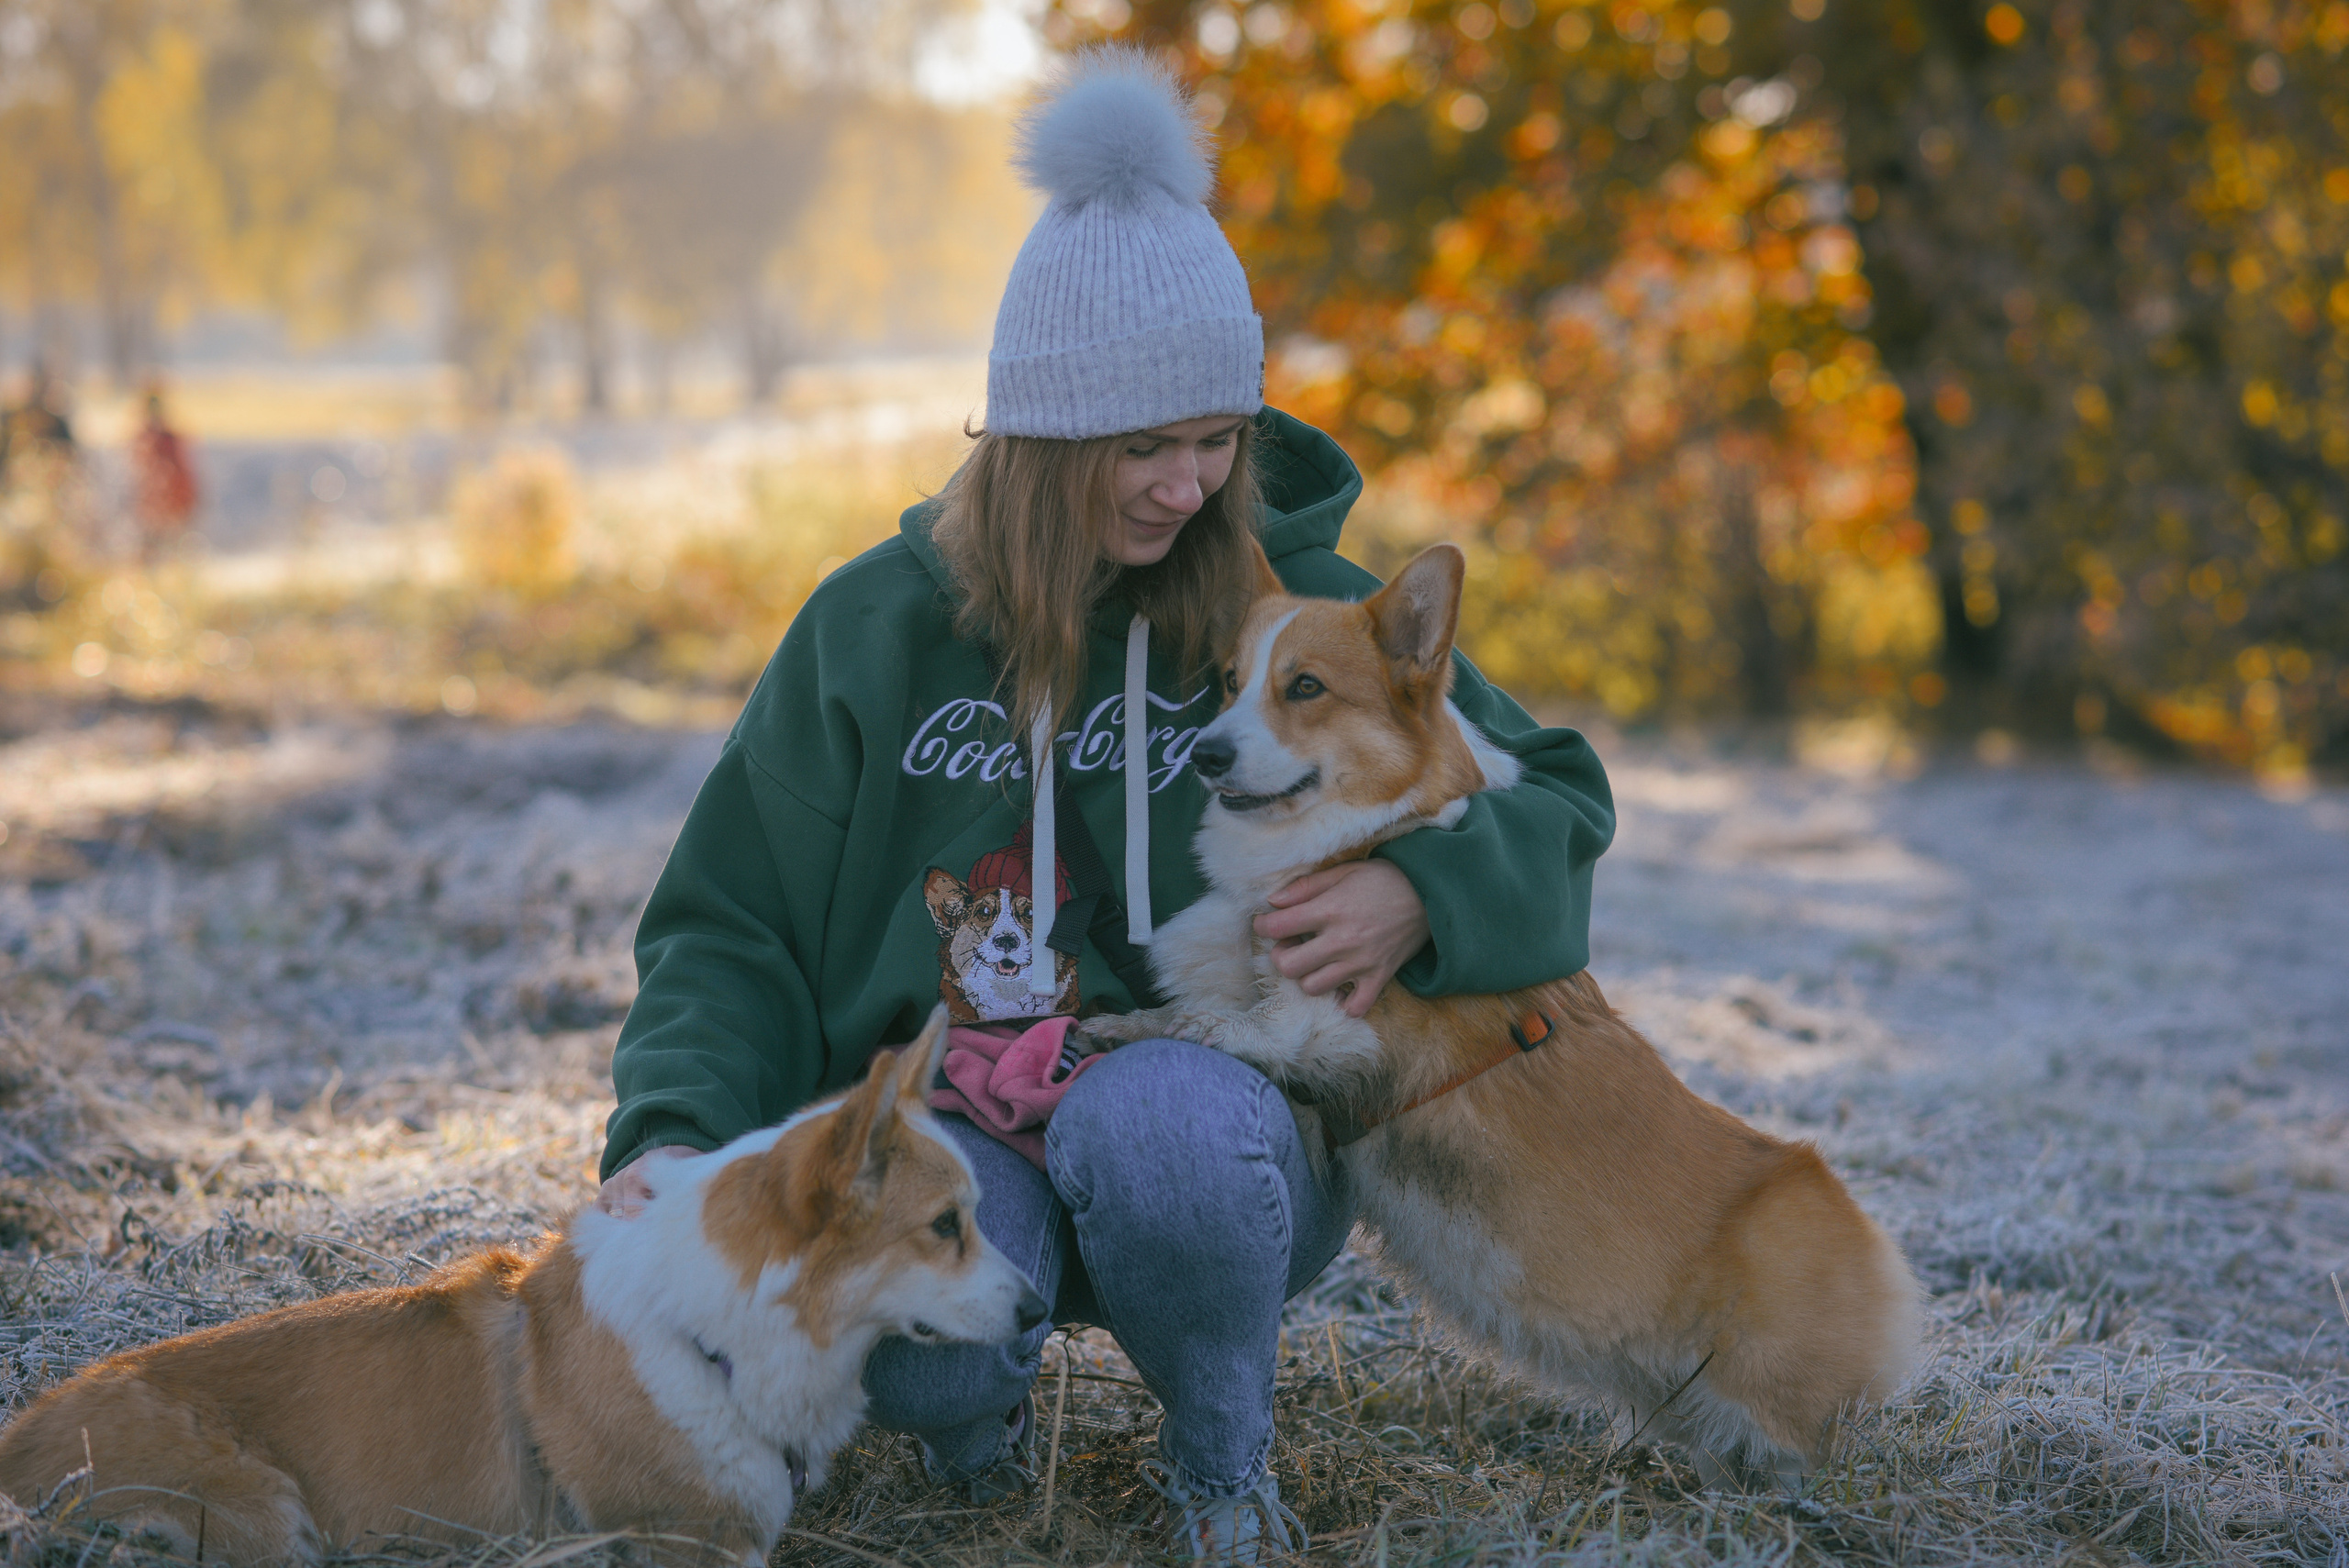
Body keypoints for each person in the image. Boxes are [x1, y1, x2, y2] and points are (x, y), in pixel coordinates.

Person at [596, 50, 1614, 1562]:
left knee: (1166, 1136)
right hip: (949, 1124)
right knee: (921, 1346)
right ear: (1040, 435)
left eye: (1216, 439)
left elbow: (1562, 796)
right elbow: (730, 920)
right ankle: (973, 1418)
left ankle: (1220, 1459)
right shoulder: (871, 629)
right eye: (1143, 447)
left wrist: (1423, 893)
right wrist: (675, 1132)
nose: (1187, 487)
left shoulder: (1291, 611)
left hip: (1215, 1120)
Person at [130, 384, 199, 563]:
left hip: (165, 501)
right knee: (161, 547)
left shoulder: (158, 438)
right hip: (159, 502)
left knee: (163, 547)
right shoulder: (155, 437)